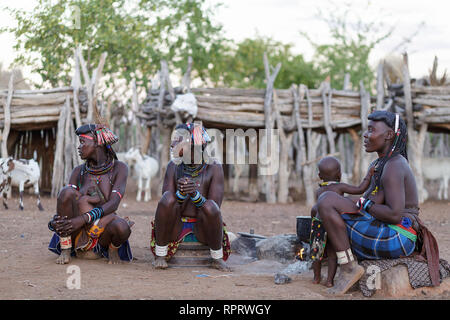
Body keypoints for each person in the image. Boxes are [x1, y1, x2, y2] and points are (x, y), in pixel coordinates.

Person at [314, 111, 421, 294]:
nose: (365, 134)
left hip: (398, 236)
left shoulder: (395, 165)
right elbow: (370, 200)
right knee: (323, 206)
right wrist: (358, 203)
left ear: (388, 135)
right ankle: (344, 263)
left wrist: (364, 204)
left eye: (371, 130)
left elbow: (394, 215)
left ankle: (348, 267)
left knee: (326, 203)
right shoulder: (380, 164)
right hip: (386, 228)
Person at [150, 122, 231, 271]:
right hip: (175, 225)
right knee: (168, 198)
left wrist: (195, 194)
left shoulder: (214, 167)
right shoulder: (173, 166)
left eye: (178, 140)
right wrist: (181, 192)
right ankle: (160, 255)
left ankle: (217, 258)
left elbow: (215, 207)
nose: (173, 143)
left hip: (203, 227)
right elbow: (167, 205)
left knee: (210, 207)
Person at [48, 124, 132, 265]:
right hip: (76, 229)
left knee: (122, 227)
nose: (79, 147)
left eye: (82, 142)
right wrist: (55, 222)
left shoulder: (119, 168)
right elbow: (66, 200)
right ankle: (66, 248)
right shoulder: (78, 171)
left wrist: (83, 218)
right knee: (65, 192)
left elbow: (113, 203)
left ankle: (112, 250)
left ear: (97, 142)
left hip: (102, 228)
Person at [310, 156, 375, 287]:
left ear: (319, 175)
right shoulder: (340, 187)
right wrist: (369, 175)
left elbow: (316, 209)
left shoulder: (319, 190)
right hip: (332, 225)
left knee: (316, 254)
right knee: (332, 254)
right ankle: (329, 281)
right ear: (339, 174)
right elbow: (360, 189)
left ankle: (316, 278)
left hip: (318, 225)